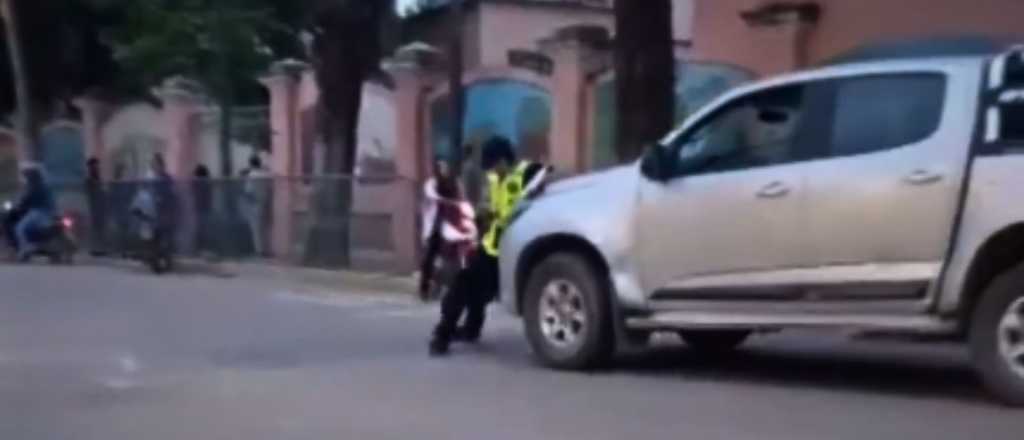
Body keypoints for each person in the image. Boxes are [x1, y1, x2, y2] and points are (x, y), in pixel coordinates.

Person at [429, 136, 551, 356]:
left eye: (494, 166)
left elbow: (546, 178)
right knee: (465, 284)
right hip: (493, 245)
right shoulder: (494, 180)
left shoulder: (526, 172)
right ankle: (445, 334)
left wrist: (541, 177)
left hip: (516, 247)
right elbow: (495, 208)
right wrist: (483, 214)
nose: (492, 172)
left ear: (504, 160)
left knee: (479, 289)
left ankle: (465, 330)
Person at [418, 158, 475, 302]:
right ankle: (424, 289)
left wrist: (461, 203)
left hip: (452, 225)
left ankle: (456, 288)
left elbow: (462, 197)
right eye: (441, 168)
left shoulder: (454, 183)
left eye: (445, 167)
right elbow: (435, 197)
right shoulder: (430, 184)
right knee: (429, 258)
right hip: (435, 227)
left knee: (455, 258)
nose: (444, 170)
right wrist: (453, 202)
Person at [12, 164, 57, 261]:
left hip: (39, 212)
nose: (25, 178)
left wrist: (18, 205)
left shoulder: (34, 186)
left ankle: (25, 249)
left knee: (19, 228)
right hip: (49, 212)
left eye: (26, 176)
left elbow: (25, 199)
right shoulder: (44, 185)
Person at [241, 154, 272, 257]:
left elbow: (248, 191)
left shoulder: (251, 175)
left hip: (255, 204)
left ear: (251, 164)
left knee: (256, 229)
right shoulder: (265, 175)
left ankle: (260, 251)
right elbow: (270, 188)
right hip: (266, 203)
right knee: (265, 228)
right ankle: (267, 249)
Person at [85, 157, 107, 256]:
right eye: (95, 165)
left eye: (97, 165)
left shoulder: (97, 178)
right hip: (94, 207)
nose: (97, 167)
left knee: (100, 228)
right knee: (96, 228)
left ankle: (100, 248)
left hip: (99, 207)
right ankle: (96, 248)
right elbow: (92, 193)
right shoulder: (90, 179)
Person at [192, 164, 214, 257]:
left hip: (200, 210)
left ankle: (200, 249)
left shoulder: (200, 184)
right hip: (203, 210)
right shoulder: (206, 183)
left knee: (200, 230)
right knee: (202, 230)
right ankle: (202, 249)